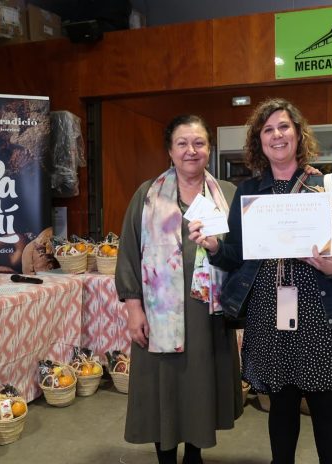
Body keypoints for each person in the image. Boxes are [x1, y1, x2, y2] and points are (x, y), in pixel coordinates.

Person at [189, 98, 332, 464]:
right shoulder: (250, 193)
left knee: (326, 406)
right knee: (281, 406)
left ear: (298, 134)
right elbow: (236, 254)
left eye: (284, 126)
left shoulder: (328, 186)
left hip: (321, 315)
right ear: (259, 141)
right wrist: (213, 246)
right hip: (269, 314)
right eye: (267, 129)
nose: (277, 135)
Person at [115, 114, 243, 464]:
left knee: (200, 385)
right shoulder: (147, 196)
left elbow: (240, 256)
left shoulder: (228, 195)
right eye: (182, 144)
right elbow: (127, 254)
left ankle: (195, 454)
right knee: (164, 388)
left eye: (199, 143)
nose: (191, 151)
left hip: (209, 314)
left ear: (209, 149)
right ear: (170, 151)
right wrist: (133, 309)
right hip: (160, 316)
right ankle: (166, 456)